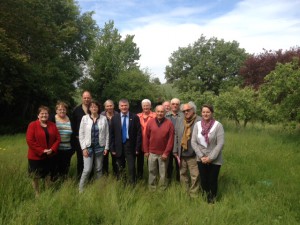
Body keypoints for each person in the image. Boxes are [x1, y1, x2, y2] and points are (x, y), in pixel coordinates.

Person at [191, 104, 224, 203]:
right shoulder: (197, 125)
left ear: (212, 113)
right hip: (201, 158)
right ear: (201, 113)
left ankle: (212, 201)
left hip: (215, 159)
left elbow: (220, 143)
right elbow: (193, 141)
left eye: (208, 112)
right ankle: (205, 199)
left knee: (212, 181)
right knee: (204, 181)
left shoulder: (218, 125)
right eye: (203, 112)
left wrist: (210, 157)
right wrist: (201, 156)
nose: (205, 114)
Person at [26, 106, 61, 197]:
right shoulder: (32, 125)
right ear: (38, 115)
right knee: (35, 176)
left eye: (46, 113)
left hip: (50, 155)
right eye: (42, 113)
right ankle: (37, 193)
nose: (44, 115)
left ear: (48, 115)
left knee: (48, 175)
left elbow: (58, 139)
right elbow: (30, 140)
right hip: (35, 156)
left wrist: (52, 150)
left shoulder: (52, 125)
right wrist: (42, 151)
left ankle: (47, 192)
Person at [78, 100, 109, 192]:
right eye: (91, 107)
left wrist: (106, 147)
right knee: (87, 169)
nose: (94, 108)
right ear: (89, 108)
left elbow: (107, 134)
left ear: (98, 108)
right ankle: (81, 190)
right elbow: (81, 134)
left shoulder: (103, 118)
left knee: (99, 169)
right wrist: (83, 148)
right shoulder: (84, 118)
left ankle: (99, 189)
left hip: (100, 146)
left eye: (95, 106)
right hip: (88, 147)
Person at [110, 99, 142, 184]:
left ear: (128, 106)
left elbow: (139, 133)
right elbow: (111, 134)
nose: (124, 107)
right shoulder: (115, 118)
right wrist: (112, 148)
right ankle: (122, 184)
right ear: (119, 107)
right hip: (118, 146)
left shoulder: (134, 117)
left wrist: (137, 148)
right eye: (122, 106)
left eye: (125, 105)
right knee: (120, 167)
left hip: (130, 145)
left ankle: (132, 186)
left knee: (131, 168)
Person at [173, 102, 201, 197]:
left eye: (188, 110)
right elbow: (176, 136)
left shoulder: (199, 121)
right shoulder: (180, 120)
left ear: (193, 110)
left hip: (194, 154)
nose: (186, 112)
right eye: (184, 111)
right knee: (183, 174)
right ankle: (185, 192)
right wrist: (175, 150)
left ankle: (194, 194)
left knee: (195, 175)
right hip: (182, 154)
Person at [144, 105, 174, 190]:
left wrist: (166, 153)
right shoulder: (150, 122)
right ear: (155, 112)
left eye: (162, 112)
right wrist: (146, 151)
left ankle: (162, 189)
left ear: (165, 113)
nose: (160, 113)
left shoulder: (169, 124)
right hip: (152, 153)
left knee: (163, 173)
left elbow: (171, 140)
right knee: (152, 171)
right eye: (158, 111)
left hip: (163, 154)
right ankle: (152, 188)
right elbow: (146, 137)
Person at [71, 90, 92, 179]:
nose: (86, 99)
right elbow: (73, 124)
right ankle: (80, 178)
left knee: (91, 160)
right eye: (85, 98)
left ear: (90, 98)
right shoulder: (76, 110)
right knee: (81, 160)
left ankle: (90, 179)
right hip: (79, 140)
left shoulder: (94, 108)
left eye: (88, 98)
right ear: (82, 98)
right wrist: (76, 136)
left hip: (92, 140)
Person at [51, 101, 73, 180]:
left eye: (64, 109)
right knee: (54, 168)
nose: (62, 111)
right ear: (56, 110)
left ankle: (63, 184)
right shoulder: (52, 119)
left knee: (65, 168)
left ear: (66, 110)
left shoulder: (70, 119)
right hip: (55, 148)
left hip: (67, 148)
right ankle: (54, 184)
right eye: (60, 109)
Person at [137, 99, 156, 180]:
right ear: (142, 106)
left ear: (150, 106)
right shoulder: (137, 116)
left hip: (151, 142)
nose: (145, 107)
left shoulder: (155, 115)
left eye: (147, 105)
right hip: (140, 142)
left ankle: (151, 178)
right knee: (139, 161)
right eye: (144, 105)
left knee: (151, 162)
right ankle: (140, 178)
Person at [165, 98, 183, 182]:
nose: (175, 105)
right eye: (173, 104)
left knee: (179, 164)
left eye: (177, 104)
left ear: (179, 105)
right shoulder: (166, 115)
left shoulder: (183, 115)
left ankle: (179, 181)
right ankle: (168, 180)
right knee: (168, 164)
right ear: (170, 105)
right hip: (167, 143)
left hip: (179, 144)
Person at [101, 99, 118, 176]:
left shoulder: (118, 115)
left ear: (113, 106)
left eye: (111, 105)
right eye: (107, 106)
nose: (109, 107)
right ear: (105, 107)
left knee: (115, 160)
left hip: (114, 142)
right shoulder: (101, 115)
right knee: (104, 160)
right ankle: (105, 176)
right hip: (104, 141)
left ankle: (116, 176)